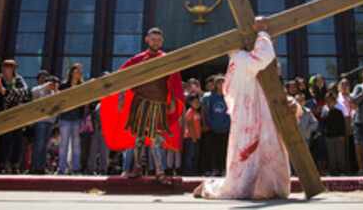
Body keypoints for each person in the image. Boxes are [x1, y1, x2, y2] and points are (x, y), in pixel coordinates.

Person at [195, 17, 291, 199]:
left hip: (260, 112)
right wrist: (263, 32)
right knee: (248, 154)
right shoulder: (239, 58)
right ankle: (216, 186)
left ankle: (268, 185)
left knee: (267, 149)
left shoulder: (243, 58)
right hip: (249, 117)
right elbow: (261, 58)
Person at [100, 28, 184, 184]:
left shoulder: (167, 59)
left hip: (158, 104)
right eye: (153, 39)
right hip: (140, 103)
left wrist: (172, 101)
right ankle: (138, 168)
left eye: (158, 40)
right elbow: (123, 76)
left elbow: (174, 82)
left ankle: (159, 171)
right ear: (147, 40)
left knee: (155, 138)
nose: (156, 42)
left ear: (162, 41)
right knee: (138, 137)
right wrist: (121, 95)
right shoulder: (138, 59)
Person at [0, 59, 30, 173]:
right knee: (4, 139)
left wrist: (8, 93)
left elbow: (25, 92)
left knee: (17, 140)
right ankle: (1, 164)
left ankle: (15, 165)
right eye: (5, 67)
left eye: (9, 67)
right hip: (3, 114)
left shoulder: (19, 79)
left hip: (16, 115)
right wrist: (13, 96)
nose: (6, 70)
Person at [58, 63, 87, 175]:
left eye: (79, 72)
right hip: (65, 118)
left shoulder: (82, 86)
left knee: (76, 145)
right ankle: (61, 168)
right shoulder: (64, 85)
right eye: (76, 71)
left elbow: (84, 103)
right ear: (71, 73)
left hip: (77, 119)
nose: (78, 73)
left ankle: (76, 168)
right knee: (63, 144)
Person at [30, 72, 59, 174]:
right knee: (39, 145)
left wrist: (55, 90)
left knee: (45, 146)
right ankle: (34, 167)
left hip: (50, 122)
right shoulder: (40, 91)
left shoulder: (54, 93)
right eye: (51, 83)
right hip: (41, 122)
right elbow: (33, 92)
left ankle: (41, 168)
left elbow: (58, 105)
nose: (52, 85)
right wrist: (44, 86)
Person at [203, 75, 230, 176]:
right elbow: (205, 111)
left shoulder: (228, 96)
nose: (221, 85)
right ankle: (214, 169)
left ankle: (223, 169)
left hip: (226, 127)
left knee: (225, 150)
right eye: (218, 82)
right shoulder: (209, 97)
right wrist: (205, 124)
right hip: (213, 127)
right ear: (215, 84)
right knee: (213, 149)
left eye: (223, 82)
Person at [322, 91, 347, 175]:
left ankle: (342, 170)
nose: (329, 103)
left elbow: (342, 125)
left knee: (340, 154)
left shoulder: (339, 112)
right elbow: (323, 124)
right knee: (331, 154)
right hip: (329, 136)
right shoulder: (325, 112)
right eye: (327, 101)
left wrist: (342, 135)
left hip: (338, 136)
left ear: (334, 102)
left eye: (331, 101)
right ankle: (333, 171)